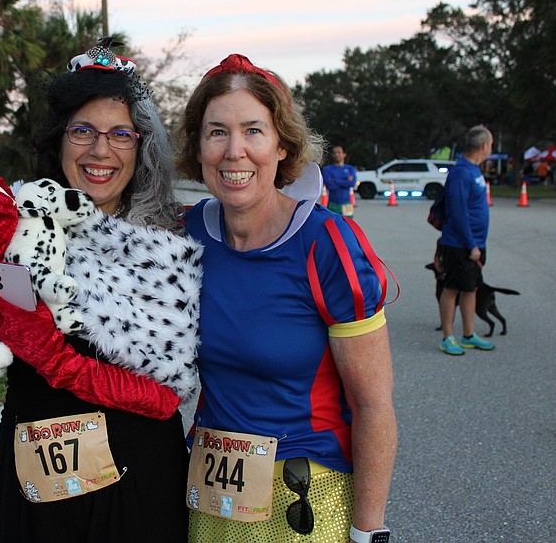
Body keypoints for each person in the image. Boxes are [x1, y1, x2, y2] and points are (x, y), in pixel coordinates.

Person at [0, 39, 189, 542]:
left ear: (142, 144)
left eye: (120, 134)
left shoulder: (166, 237)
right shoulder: (14, 223)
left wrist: (53, 357)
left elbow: (163, 399)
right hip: (37, 485)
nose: (101, 150)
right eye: (83, 130)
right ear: (58, 140)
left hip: (139, 483)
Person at [176, 54, 396, 542]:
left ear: (282, 145)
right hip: (210, 493)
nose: (235, 151)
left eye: (253, 130)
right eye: (217, 132)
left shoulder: (328, 243)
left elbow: (374, 406)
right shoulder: (185, 234)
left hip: (303, 497)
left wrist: (369, 531)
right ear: (198, 147)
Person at [438, 125, 495, 355]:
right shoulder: (461, 172)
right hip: (460, 244)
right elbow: (458, 211)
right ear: (484, 146)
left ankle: (469, 334)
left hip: (475, 244)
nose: (490, 148)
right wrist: (471, 244)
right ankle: (448, 336)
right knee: (452, 288)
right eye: (491, 144)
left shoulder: (474, 170)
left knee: (470, 288)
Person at [322, 144, 357, 217]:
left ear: (344, 154)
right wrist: (345, 181)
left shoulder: (350, 169)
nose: (336, 155)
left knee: (349, 226)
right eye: (334, 153)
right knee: (332, 227)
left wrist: (334, 180)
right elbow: (329, 185)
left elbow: (352, 184)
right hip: (332, 205)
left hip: (347, 204)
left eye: (339, 152)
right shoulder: (327, 169)